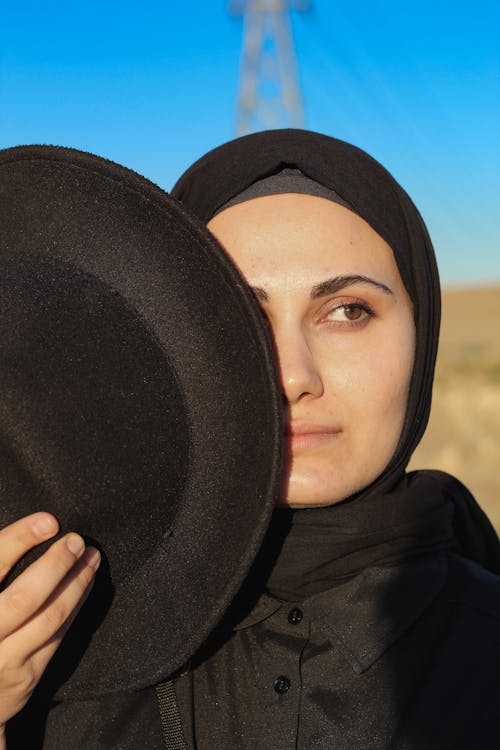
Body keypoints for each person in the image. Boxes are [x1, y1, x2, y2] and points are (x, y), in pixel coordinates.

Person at [2, 129, 500, 748]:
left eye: (348, 311)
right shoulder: (48, 640)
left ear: (422, 339)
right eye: (242, 315)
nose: (293, 377)